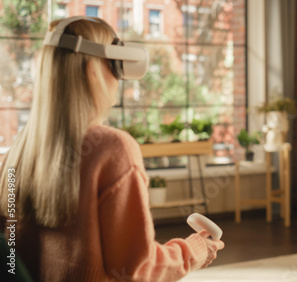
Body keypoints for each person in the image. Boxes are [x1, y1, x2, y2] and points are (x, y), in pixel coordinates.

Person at [0, 16, 224, 281]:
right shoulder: (113, 149)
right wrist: (193, 250)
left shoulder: (17, 151)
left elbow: (11, 256)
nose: (119, 79)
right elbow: (137, 269)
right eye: (115, 66)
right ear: (92, 70)